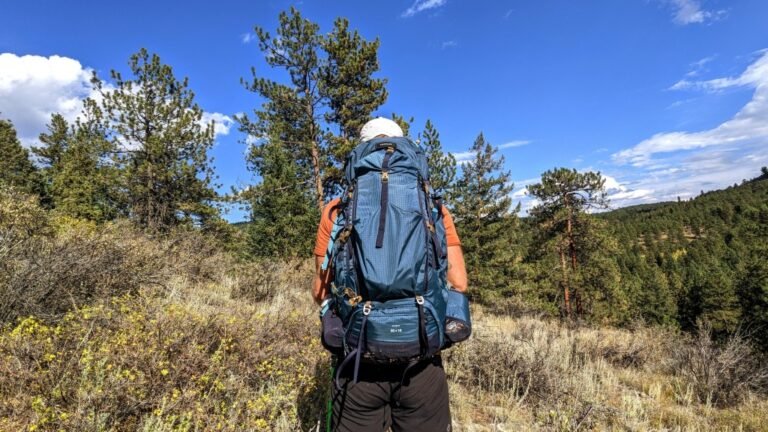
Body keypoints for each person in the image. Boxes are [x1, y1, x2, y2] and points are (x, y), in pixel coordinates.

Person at [312, 117, 468, 431]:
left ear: (361, 152)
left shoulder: (337, 211)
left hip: (358, 363)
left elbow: (321, 289)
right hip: (420, 359)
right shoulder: (434, 209)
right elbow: (458, 282)